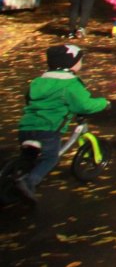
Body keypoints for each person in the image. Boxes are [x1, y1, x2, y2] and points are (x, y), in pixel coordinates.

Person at [14, 44, 109, 202]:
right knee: (50, 158)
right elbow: (84, 105)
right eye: (80, 60)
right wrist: (103, 103)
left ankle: (17, 174)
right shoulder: (71, 84)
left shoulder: (38, 81)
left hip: (26, 126)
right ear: (71, 64)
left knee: (28, 156)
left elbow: (29, 99)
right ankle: (30, 182)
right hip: (49, 128)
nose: (81, 63)